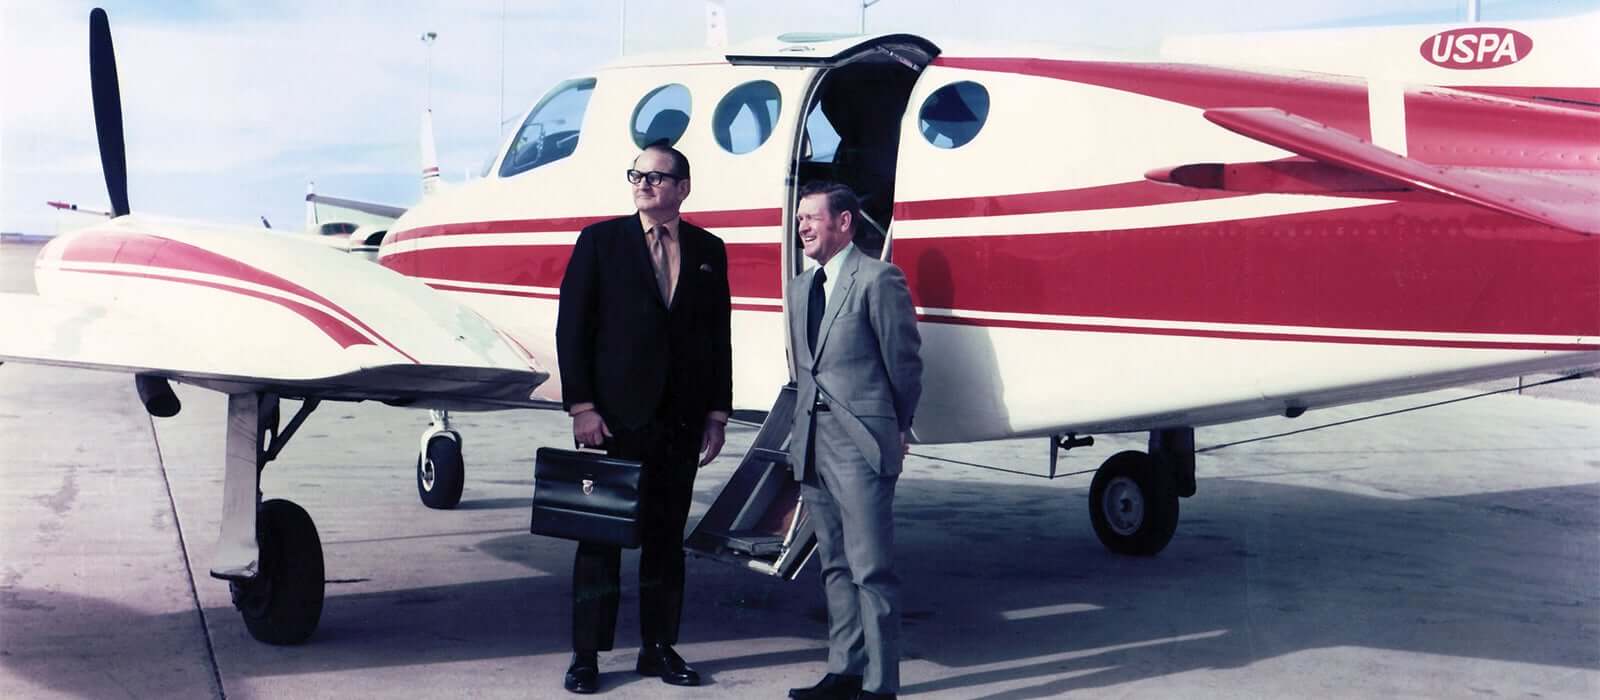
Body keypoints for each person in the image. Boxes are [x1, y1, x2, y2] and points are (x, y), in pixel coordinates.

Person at [554, 143, 732, 694]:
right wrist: (582, 407)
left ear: (683, 187)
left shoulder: (708, 249)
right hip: (613, 422)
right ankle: (587, 655)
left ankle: (657, 648)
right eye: (638, 175)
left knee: (664, 543)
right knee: (599, 544)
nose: (645, 184)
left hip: (678, 425)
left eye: (658, 177)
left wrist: (717, 414)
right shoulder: (600, 242)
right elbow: (572, 329)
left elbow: (716, 337)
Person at [786, 181, 922, 700]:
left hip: (862, 445)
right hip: (813, 443)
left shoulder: (878, 280)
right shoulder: (801, 288)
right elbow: (806, 368)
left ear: (844, 223)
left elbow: (904, 365)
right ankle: (844, 669)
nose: (802, 226)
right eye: (800, 218)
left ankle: (880, 684)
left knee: (871, 569)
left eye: (811, 217)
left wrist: (896, 427)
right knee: (834, 565)